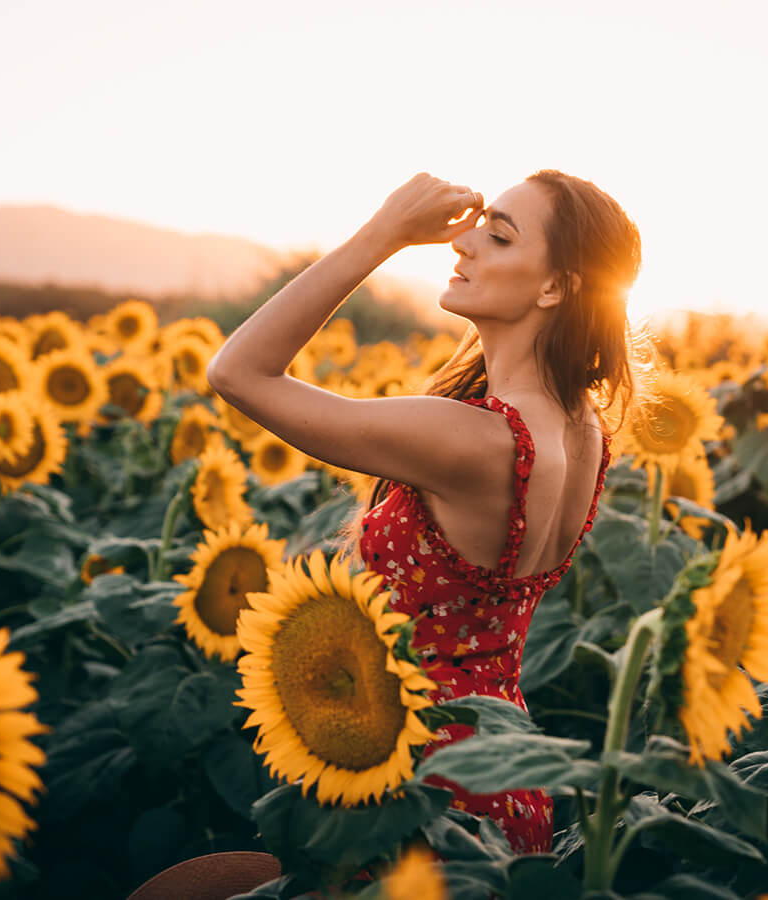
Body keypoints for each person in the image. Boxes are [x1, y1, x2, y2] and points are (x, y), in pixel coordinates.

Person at [207, 169, 642, 853]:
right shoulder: (583, 429)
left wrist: (384, 233)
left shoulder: (471, 439)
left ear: (555, 288)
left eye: (498, 235)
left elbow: (237, 372)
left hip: (414, 786)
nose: (464, 244)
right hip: (502, 775)